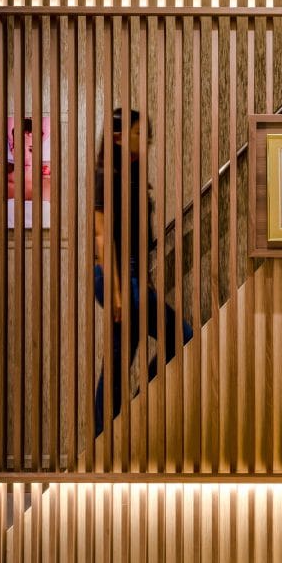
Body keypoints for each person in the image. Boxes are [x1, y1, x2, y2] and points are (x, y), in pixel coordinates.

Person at [93, 108, 193, 436]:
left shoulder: (132, 174)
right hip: (116, 275)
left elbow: (137, 236)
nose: (146, 140)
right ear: (119, 137)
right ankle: (107, 434)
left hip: (133, 277)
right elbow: (102, 235)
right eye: (139, 133)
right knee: (177, 338)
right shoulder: (107, 175)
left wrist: (144, 278)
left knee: (121, 360)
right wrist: (116, 290)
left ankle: (111, 430)